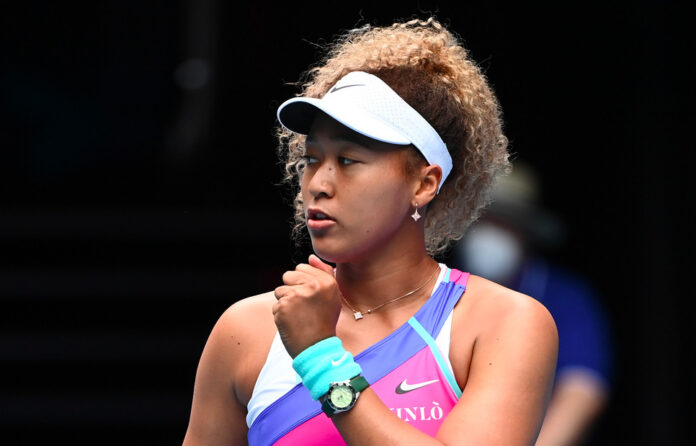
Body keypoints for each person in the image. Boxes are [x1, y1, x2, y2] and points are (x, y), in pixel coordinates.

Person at [183, 18, 558, 446]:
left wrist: (321, 359)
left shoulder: (504, 323)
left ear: (424, 184)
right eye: (312, 159)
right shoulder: (244, 331)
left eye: (348, 161)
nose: (318, 184)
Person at [452, 162, 613, 445]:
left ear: (526, 232)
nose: (489, 232)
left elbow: (583, 388)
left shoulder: (565, 297)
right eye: (481, 220)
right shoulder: (440, 288)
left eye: (503, 222)